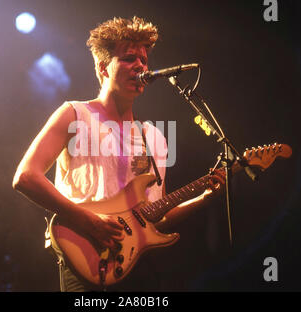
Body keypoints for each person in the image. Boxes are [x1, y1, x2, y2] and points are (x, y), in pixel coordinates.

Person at [12, 16, 225, 292]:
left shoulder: (154, 137)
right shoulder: (74, 115)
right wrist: (88, 221)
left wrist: (203, 198)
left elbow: (155, 217)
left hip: (139, 268)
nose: (140, 65)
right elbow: (25, 177)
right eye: (128, 58)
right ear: (103, 67)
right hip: (86, 259)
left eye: (144, 60)